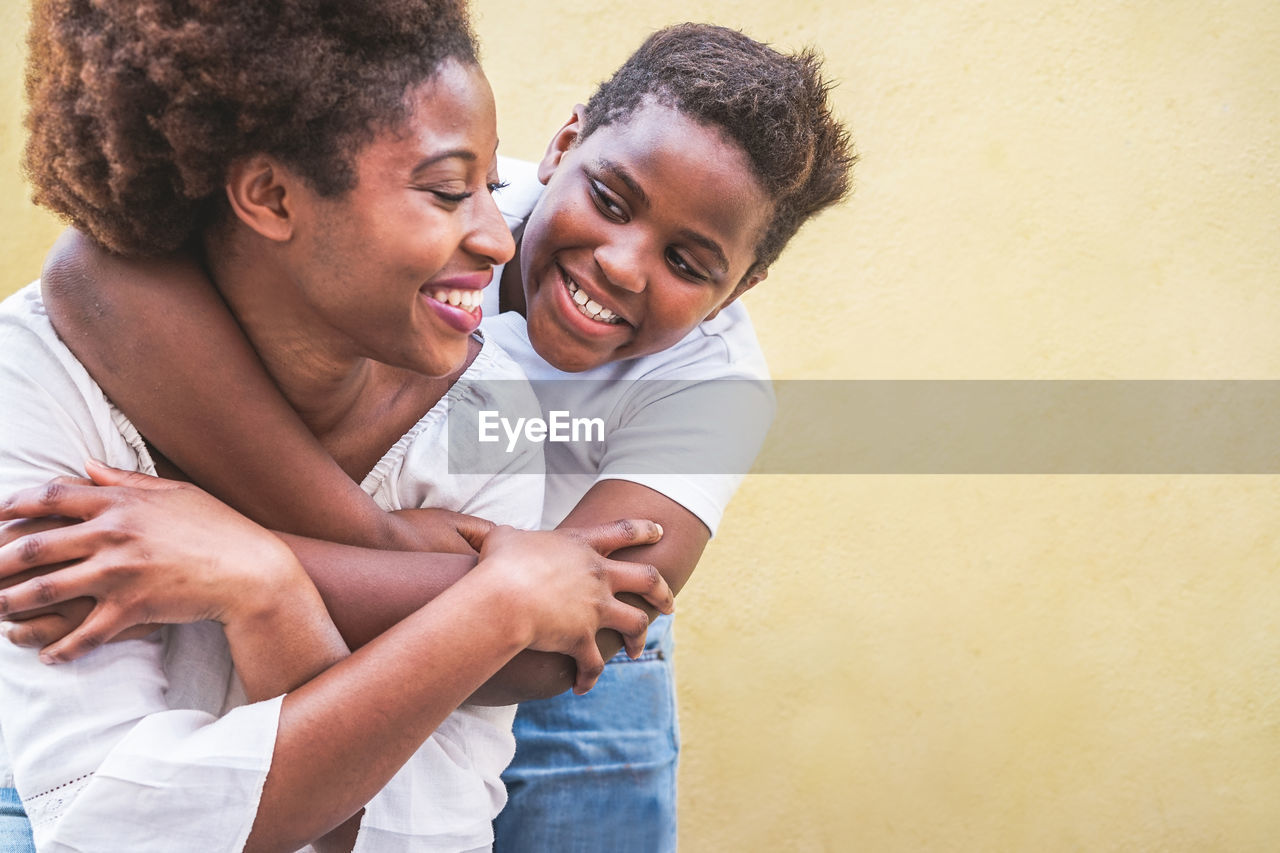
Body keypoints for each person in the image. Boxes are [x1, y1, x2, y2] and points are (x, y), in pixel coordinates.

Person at [5, 22, 855, 853]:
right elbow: (90, 276)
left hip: (564, 660)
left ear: (746, 280)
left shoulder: (711, 385)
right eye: (608, 201)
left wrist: (248, 556)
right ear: (563, 146)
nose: (623, 263)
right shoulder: (420, 193)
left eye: (689, 264)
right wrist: (413, 561)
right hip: (475, 584)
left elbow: (574, 636)